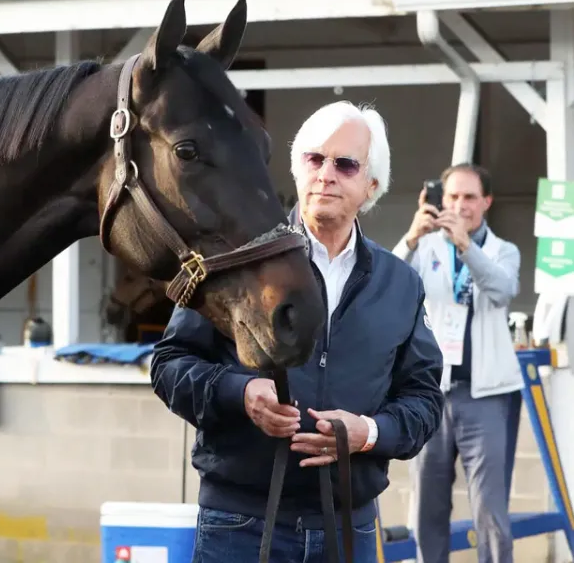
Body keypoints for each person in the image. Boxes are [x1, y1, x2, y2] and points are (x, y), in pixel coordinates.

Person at [150, 101, 445, 563]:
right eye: (314, 159)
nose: (326, 174)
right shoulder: (237, 261)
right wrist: (239, 393)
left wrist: (368, 432)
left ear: (371, 186)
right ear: (296, 169)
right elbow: (169, 365)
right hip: (241, 525)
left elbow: (425, 401)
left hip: (350, 529)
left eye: (345, 164)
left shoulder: (401, 284)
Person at [392, 163, 523, 563]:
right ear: (438, 199)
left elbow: (502, 290)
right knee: (427, 508)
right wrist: (412, 237)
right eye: (452, 197)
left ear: (486, 202)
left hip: (485, 396)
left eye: (469, 197)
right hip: (430, 395)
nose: (459, 205)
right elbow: (385, 284)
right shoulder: (425, 248)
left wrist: (467, 246)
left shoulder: (503, 250)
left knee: (490, 512)